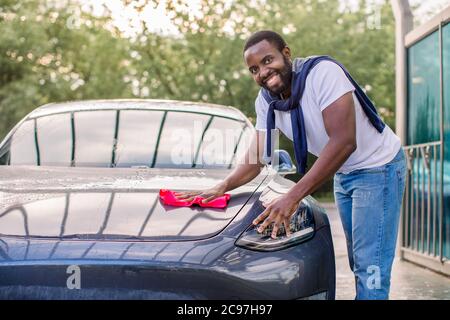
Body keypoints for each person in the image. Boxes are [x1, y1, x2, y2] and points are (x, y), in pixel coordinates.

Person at [175, 30, 406, 300]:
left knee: (372, 265)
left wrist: (293, 196)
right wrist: (221, 186)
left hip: (378, 167)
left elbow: (344, 142)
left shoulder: (322, 73)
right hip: (344, 172)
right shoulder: (266, 102)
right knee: (360, 261)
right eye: (254, 69)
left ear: (286, 53)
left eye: (267, 60)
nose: (262, 71)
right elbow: (257, 158)